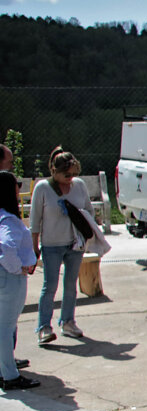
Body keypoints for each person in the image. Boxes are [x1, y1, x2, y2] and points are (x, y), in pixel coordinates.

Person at [29, 149, 91, 344]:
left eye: (74, 174)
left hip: (75, 244)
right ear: (54, 171)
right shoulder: (42, 188)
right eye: (67, 175)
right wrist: (34, 247)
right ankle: (44, 327)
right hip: (51, 245)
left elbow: (88, 210)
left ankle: (68, 322)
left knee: (71, 285)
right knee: (50, 286)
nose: (71, 178)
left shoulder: (79, 186)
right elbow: (35, 221)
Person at [1, 171, 38, 390]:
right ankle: (10, 376)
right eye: (17, 185)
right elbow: (6, 248)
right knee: (5, 328)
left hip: (5, 275)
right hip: (10, 278)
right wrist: (18, 268)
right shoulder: (8, 219)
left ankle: (5, 371)